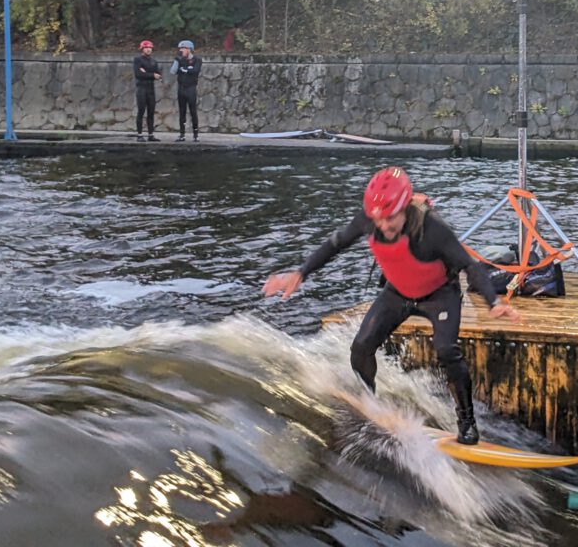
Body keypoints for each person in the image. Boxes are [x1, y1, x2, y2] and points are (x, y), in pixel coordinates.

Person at [262, 166, 521, 444]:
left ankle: (467, 422)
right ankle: (369, 404)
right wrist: (301, 273)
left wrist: (493, 302)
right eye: (378, 219)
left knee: (447, 350)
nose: (383, 226)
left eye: (390, 218)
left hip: (439, 295)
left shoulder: (433, 229)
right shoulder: (369, 220)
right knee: (361, 348)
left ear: (405, 208)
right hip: (398, 293)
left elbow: (470, 266)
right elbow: (335, 244)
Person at [170, 39, 202, 142]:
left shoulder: (197, 59)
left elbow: (195, 71)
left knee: (193, 111)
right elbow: (173, 71)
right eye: (180, 48)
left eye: (183, 48)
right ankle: (182, 134)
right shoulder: (180, 59)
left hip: (191, 88)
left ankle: (195, 134)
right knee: (182, 112)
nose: (181, 50)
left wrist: (186, 70)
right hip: (181, 88)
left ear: (189, 49)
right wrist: (177, 60)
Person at [133, 39, 162, 141]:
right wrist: (151, 74)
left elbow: (158, 74)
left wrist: (147, 74)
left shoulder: (153, 61)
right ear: (142, 49)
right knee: (141, 111)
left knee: (151, 111)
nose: (148, 49)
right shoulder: (138, 59)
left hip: (150, 88)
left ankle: (150, 134)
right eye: (146, 48)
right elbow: (139, 74)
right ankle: (140, 134)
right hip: (141, 88)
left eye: (150, 48)